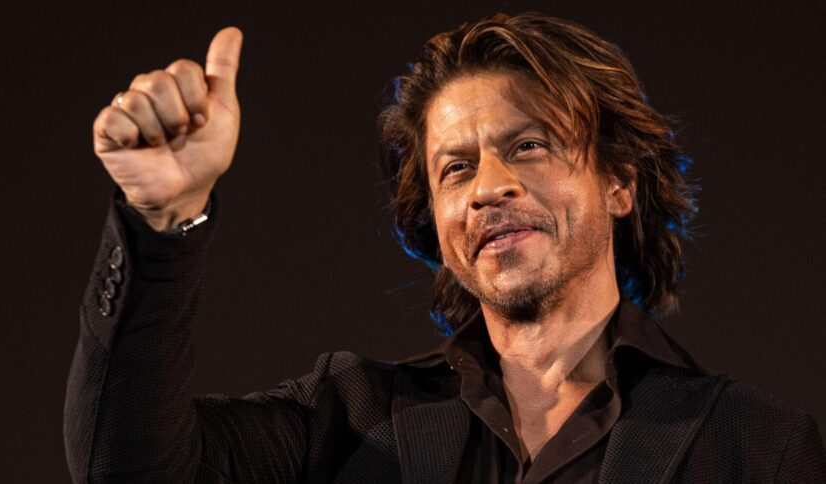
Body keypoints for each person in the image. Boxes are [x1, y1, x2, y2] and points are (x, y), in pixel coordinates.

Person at [64, 12, 825, 483]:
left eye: (529, 146)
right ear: (436, 216)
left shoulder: (756, 445)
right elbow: (124, 465)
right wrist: (162, 217)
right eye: (456, 168)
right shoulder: (351, 417)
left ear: (618, 182)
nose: (489, 186)